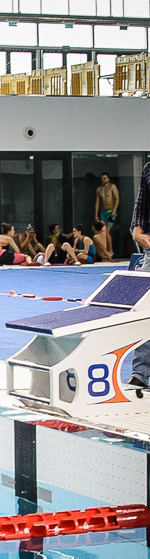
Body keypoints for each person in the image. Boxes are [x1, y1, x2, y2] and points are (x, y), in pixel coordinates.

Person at [126, 160, 150, 389]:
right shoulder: (148, 168)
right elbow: (141, 206)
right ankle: (140, 373)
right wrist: (137, 231)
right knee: (143, 311)